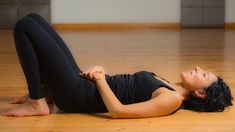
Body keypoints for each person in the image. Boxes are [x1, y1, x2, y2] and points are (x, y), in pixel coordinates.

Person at [1, 13, 233, 118]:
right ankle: (45, 92)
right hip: (83, 82)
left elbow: (118, 111)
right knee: (34, 19)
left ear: (201, 92)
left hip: (76, 94)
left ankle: (37, 102)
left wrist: (101, 78)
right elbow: (126, 88)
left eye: (203, 74)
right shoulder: (170, 85)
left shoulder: (172, 99)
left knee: (24, 26)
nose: (197, 67)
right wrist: (99, 76)